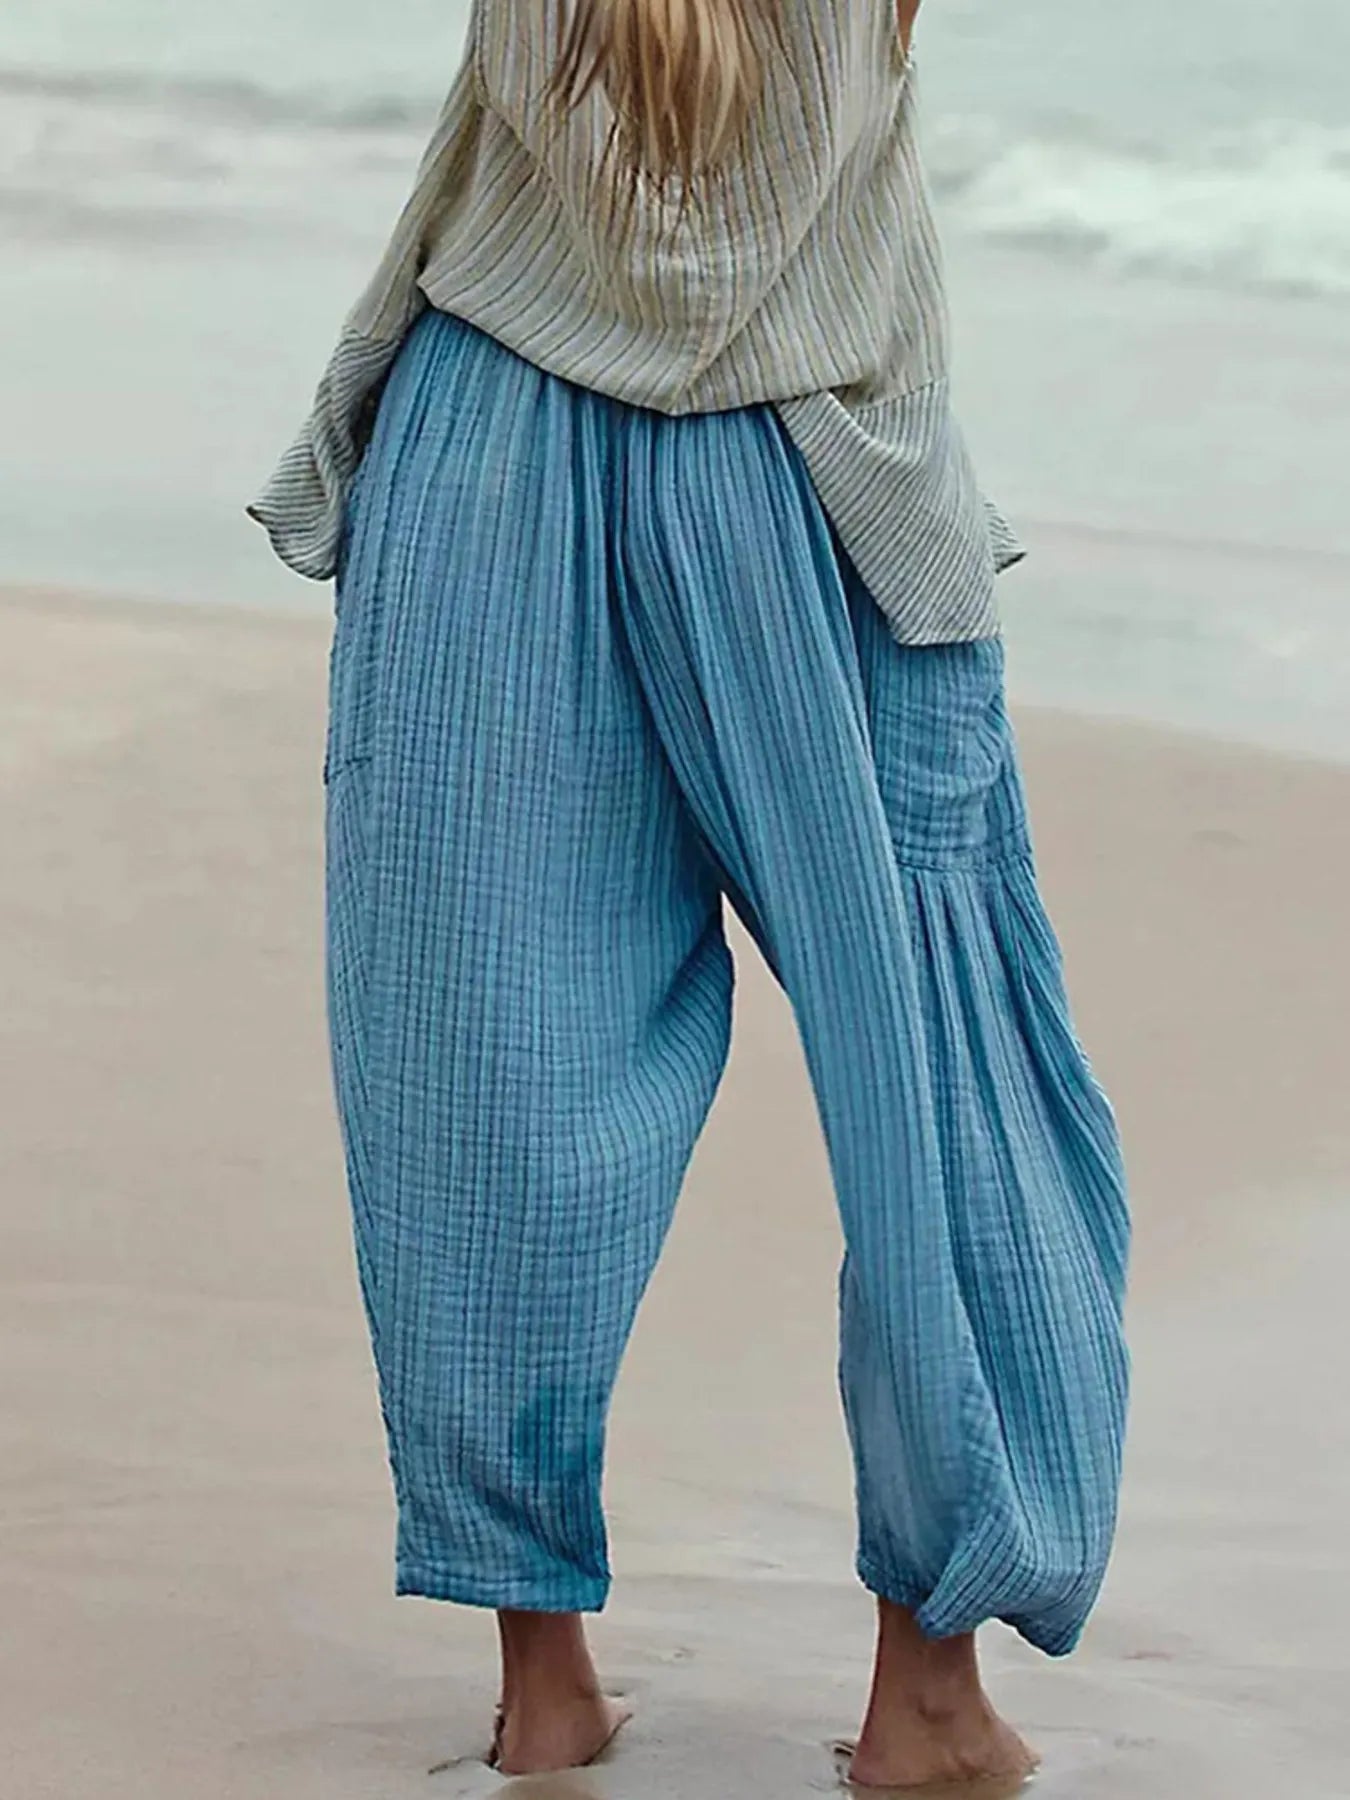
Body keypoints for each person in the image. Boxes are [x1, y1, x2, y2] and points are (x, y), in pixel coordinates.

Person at [248, 0, 1130, 1785]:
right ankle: (925, 1696)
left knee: (491, 1059)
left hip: (487, 450)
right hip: (811, 475)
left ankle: (542, 1681)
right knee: (938, 1066)